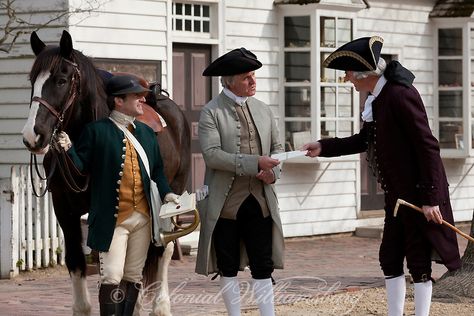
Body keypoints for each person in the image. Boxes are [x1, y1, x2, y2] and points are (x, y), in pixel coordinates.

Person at [302, 36, 461, 316]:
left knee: (418, 261)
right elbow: (364, 140)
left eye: (350, 74)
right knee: (389, 257)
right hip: (396, 198)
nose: (348, 79)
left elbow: (428, 147)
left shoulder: (401, 95)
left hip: (416, 195)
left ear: (365, 74)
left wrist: (430, 198)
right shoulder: (377, 98)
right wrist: (323, 146)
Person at [57, 74, 180, 316]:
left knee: (133, 276)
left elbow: (157, 172)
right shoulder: (96, 131)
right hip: (113, 219)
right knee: (112, 275)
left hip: (143, 219)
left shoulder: (146, 133)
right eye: (136, 96)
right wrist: (69, 151)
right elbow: (80, 168)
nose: (142, 100)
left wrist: (167, 195)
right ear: (119, 101)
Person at [195, 48, 284, 316]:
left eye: (254, 76)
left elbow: (277, 148)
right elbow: (212, 156)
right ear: (230, 80)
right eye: (247, 77)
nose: (253, 82)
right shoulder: (211, 111)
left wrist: (273, 173)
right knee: (227, 264)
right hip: (225, 203)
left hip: (260, 200)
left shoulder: (264, 110)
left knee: (263, 264)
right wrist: (255, 162)